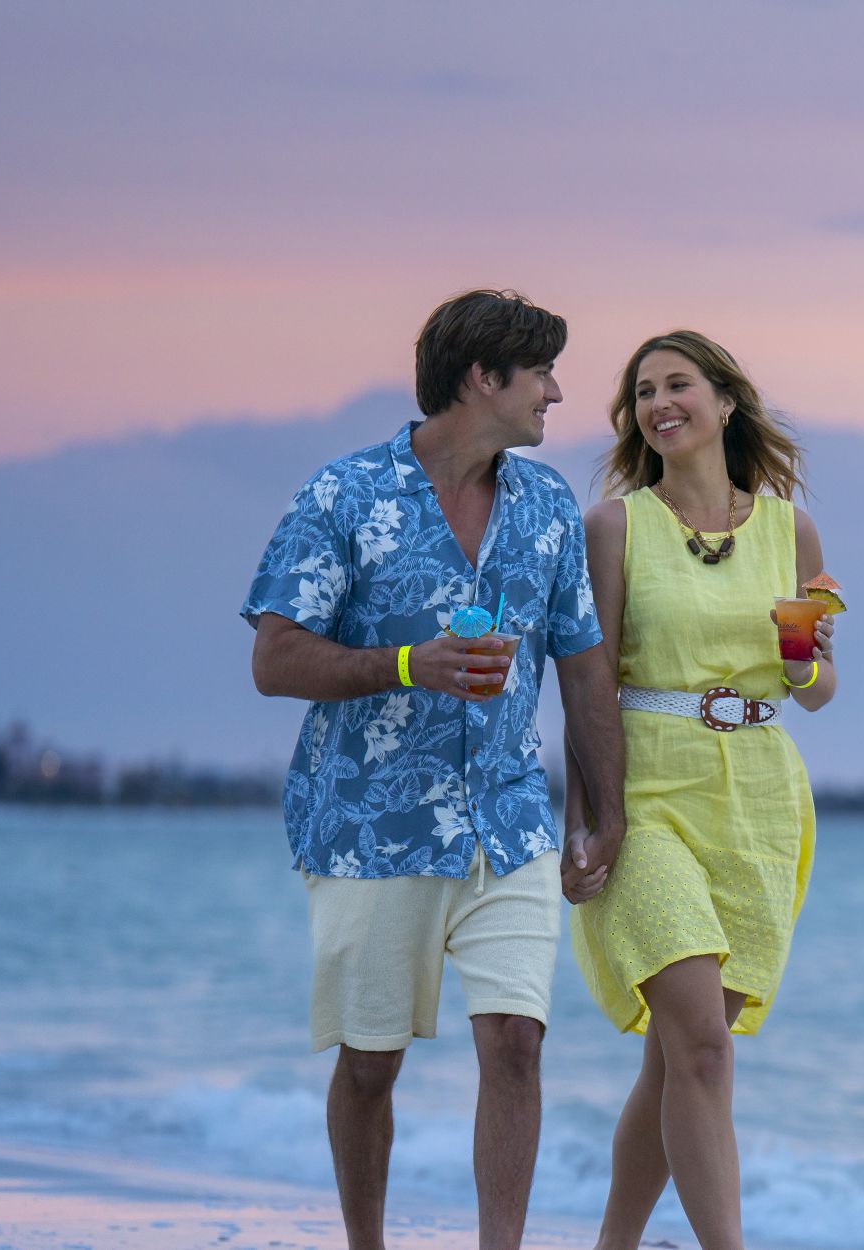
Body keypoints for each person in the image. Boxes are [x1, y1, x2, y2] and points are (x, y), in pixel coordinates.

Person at [241, 289, 628, 1250]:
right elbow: (274, 659)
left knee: (517, 1045)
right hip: (371, 826)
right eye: (538, 372)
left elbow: (583, 666)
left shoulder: (545, 506)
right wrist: (408, 664)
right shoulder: (345, 494)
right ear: (480, 378)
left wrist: (603, 814)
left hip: (508, 822)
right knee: (371, 1065)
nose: (556, 392)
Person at [565, 330, 837, 1250]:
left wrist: (807, 648)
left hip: (758, 793)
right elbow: (586, 679)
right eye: (643, 391)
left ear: (726, 401)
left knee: (680, 1056)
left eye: (677, 384)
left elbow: (814, 691)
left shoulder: (788, 528)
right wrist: (583, 819)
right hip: (644, 789)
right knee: (703, 1049)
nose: (657, 403)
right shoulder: (614, 525)